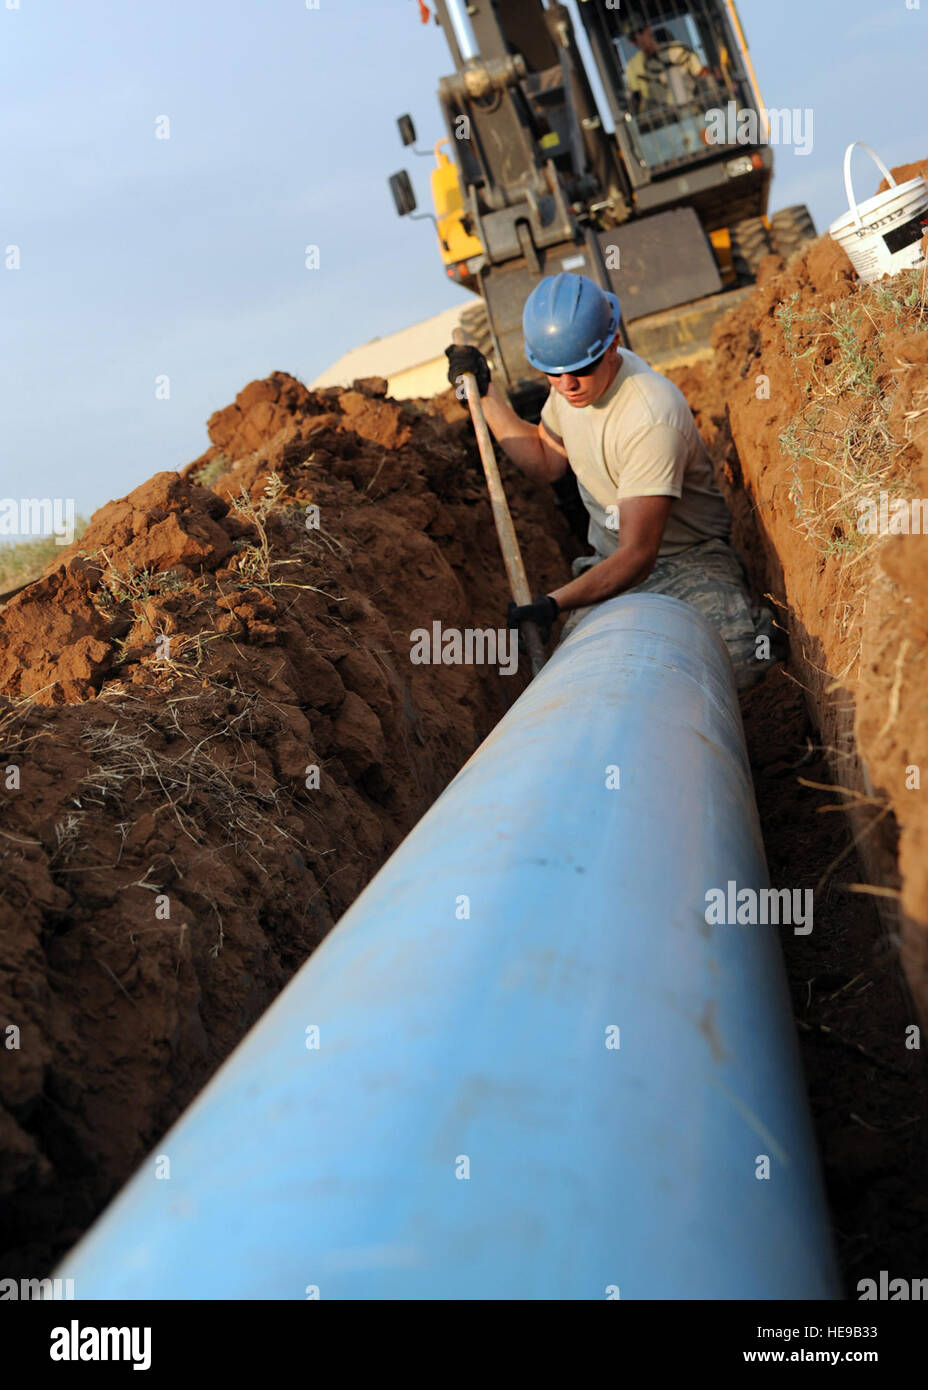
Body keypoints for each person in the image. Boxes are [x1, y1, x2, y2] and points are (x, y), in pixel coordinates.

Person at [445, 273, 782, 691]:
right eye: (552, 372)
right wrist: (485, 394)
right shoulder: (570, 388)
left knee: (735, 669)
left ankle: (757, 626)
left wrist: (552, 603)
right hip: (608, 565)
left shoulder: (650, 414)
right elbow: (546, 461)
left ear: (613, 344)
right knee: (579, 684)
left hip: (687, 560)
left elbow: (638, 555)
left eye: (579, 369)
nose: (567, 385)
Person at [625, 24, 710, 108]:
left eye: (640, 31)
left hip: (696, 107)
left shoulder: (678, 49)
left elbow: (702, 74)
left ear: (648, 29)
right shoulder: (632, 67)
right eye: (633, 37)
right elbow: (636, 100)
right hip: (663, 113)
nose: (639, 38)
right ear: (631, 42)